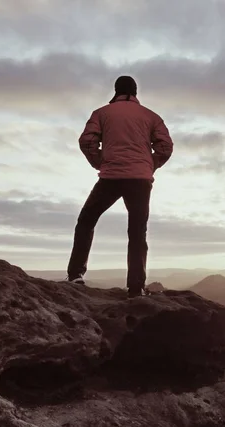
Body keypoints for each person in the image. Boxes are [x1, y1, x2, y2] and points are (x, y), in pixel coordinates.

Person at [66, 75, 173, 298]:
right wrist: (149, 165)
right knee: (137, 232)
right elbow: (165, 146)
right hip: (140, 180)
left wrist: (100, 161)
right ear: (135, 92)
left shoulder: (102, 113)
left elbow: (87, 141)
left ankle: (76, 276)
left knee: (86, 220)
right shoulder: (151, 116)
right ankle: (136, 287)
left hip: (111, 176)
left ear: (115, 90)